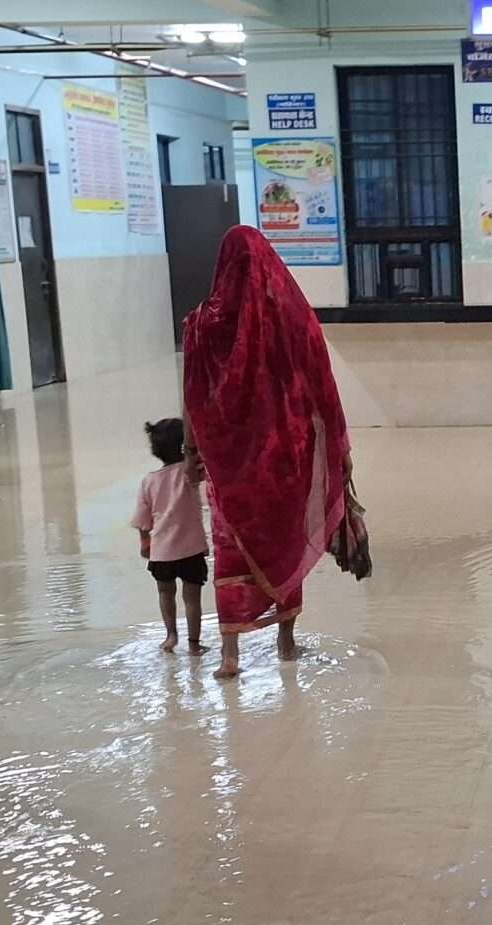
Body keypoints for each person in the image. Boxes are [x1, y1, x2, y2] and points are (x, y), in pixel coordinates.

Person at [182, 226, 353, 681]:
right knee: (283, 539)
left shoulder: (201, 324)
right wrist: (337, 444)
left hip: (227, 461)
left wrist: (190, 448)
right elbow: (320, 383)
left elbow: (192, 394)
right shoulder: (289, 317)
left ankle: (230, 654)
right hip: (283, 455)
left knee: (231, 546)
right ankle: (286, 641)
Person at [133, 418, 210, 654]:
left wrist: (145, 542)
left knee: (165, 593)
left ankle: (170, 636)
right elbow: (206, 462)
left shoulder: (149, 481)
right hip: (191, 549)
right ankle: (194, 644)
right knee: (192, 598)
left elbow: (142, 519)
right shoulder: (190, 473)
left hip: (162, 551)